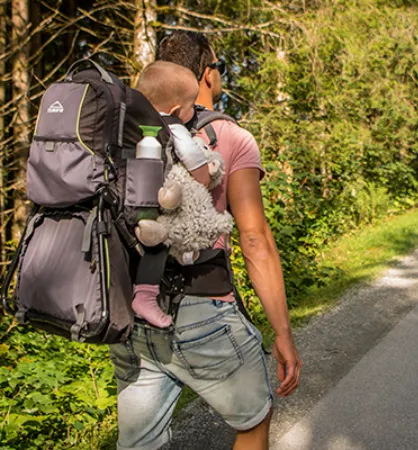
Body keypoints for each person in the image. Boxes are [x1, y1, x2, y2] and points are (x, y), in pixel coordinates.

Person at [108, 31, 302, 450]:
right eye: (219, 67)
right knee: (255, 416)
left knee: (141, 444)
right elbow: (254, 239)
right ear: (207, 75)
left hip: (133, 314)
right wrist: (282, 332)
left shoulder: (129, 134)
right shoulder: (232, 139)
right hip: (203, 307)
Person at [130, 61, 232, 328]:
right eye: (190, 106)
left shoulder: (130, 122)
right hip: (160, 200)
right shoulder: (173, 126)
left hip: (132, 195)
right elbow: (194, 160)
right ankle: (145, 296)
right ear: (176, 109)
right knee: (161, 242)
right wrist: (205, 177)